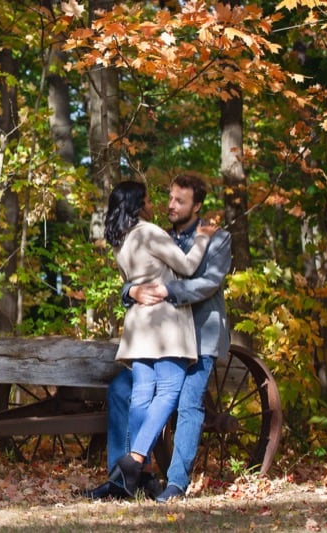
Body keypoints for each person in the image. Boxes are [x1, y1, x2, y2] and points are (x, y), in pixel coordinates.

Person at [86, 174, 232, 503]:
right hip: (160, 335)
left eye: (180, 201)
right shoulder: (158, 235)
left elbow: (206, 284)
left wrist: (167, 290)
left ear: (197, 206)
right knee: (121, 390)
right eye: (169, 197)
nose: (169, 204)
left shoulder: (218, 238)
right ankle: (125, 479)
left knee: (188, 402)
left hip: (198, 332)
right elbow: (141, 275)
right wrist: (132, 290)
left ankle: (175, 482)